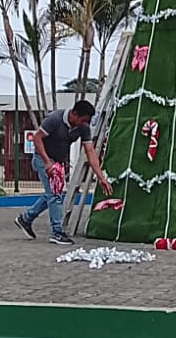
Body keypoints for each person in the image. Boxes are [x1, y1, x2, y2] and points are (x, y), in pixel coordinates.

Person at [15, 100, 114, 245]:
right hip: (43, 159)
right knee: (55, 195)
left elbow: (90, 151)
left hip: (57, 162)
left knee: (52, 194)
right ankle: (57, 232)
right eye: (82, 120)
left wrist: (100, 177)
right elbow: (37, 138)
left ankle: (25, 219)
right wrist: (47, 162)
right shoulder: (54, 119)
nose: (84, 124)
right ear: (74, 114)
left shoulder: (83, 128)